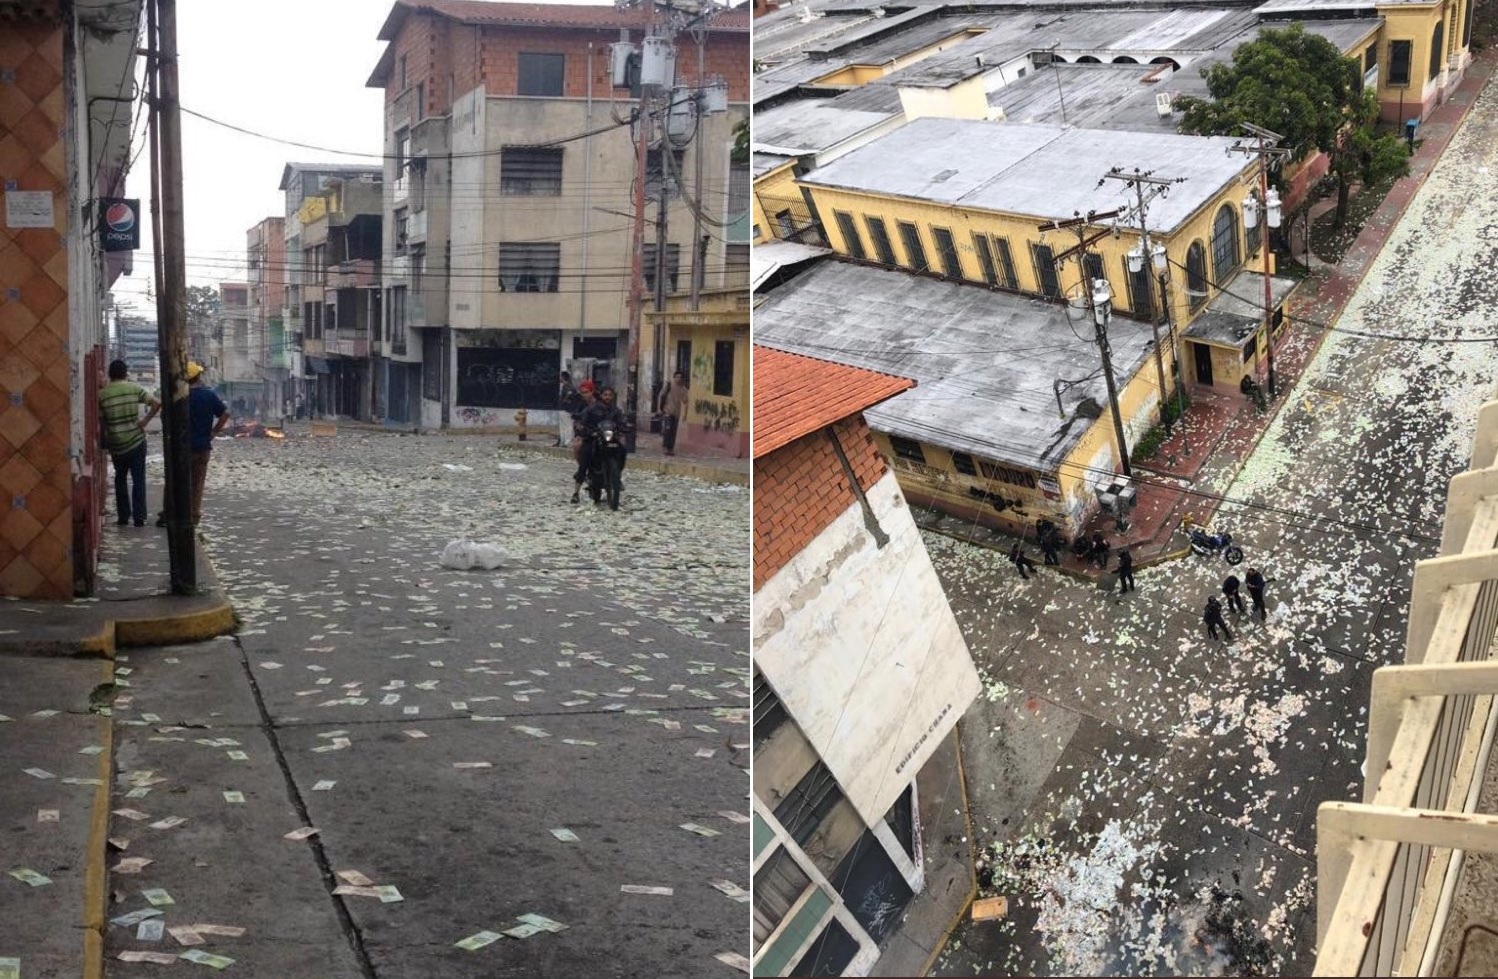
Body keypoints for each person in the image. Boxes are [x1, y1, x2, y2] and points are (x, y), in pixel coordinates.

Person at [99, 359, 161, 527]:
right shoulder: (134, 388)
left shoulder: (102, 395)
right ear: (125, 373)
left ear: (110, 374)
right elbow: (156, 404)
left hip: (117, 444)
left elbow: (101, 421)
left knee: (120, 479)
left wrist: (106, 438)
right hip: (136, 441)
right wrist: (144, 422)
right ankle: (139, 518)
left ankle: (123, 517)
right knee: (138, 479)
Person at [186, 362, 229, 525]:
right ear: (198, 377)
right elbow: (225, 414)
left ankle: (177, 513)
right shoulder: (209, 395)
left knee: (179, 482)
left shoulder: (180, 397)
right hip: (203, 447)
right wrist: (213, 432)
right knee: (198, 483)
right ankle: (194, 515)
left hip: (183, 448)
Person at [571, 383, 625, 504]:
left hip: (609, 438)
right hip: (593, 438)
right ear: (601, 395)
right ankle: (576, 493)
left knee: (622, 450)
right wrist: (587, 431)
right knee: (584, 460)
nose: (607, 397)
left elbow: (621, 422)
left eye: (610, 395)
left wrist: (624, 428)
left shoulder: (616, 411)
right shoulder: (591, 409)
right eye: (605, 395)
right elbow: (582, 422)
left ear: (613, 396)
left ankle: (617, 476)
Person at [661, 369, 688, 456]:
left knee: (673, 431)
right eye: (677, 377)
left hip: (676, 413)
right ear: (674, 377)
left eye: (680, 377)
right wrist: (659, 409)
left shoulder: (683, 388)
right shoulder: (669, 385)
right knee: (668, 430)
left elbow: (686, 402)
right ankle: (665, 446)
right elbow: (661, 396)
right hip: (668, 411)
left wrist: (685, 415)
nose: (679, 379)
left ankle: (670, 448)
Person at [556, 371, 582, 447]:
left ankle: (567, 442)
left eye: (561, 376)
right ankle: (563, 442)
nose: (559, 378)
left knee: (568, 426)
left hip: (567, 409)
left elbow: (570, 395)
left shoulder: (568, 386)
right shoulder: (565, 386)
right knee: (563, 426)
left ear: (563, 377)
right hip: (563, 409)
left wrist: (565, 401)